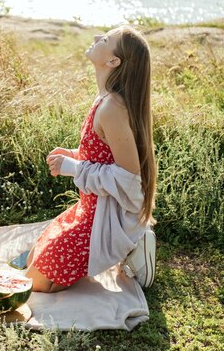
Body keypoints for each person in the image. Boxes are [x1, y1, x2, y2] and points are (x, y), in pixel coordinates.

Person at [25, 25, 157, 292]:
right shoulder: (104, 99)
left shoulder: (112, 108)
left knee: (33, 284)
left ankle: (134, 242)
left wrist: (73, 167)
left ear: (113, 61)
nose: (97, 38)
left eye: (106, 39)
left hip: (99, 222)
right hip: (87, 211)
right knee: (32, 259)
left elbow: (130, 181)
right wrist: (74, 155)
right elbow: (106, 157)